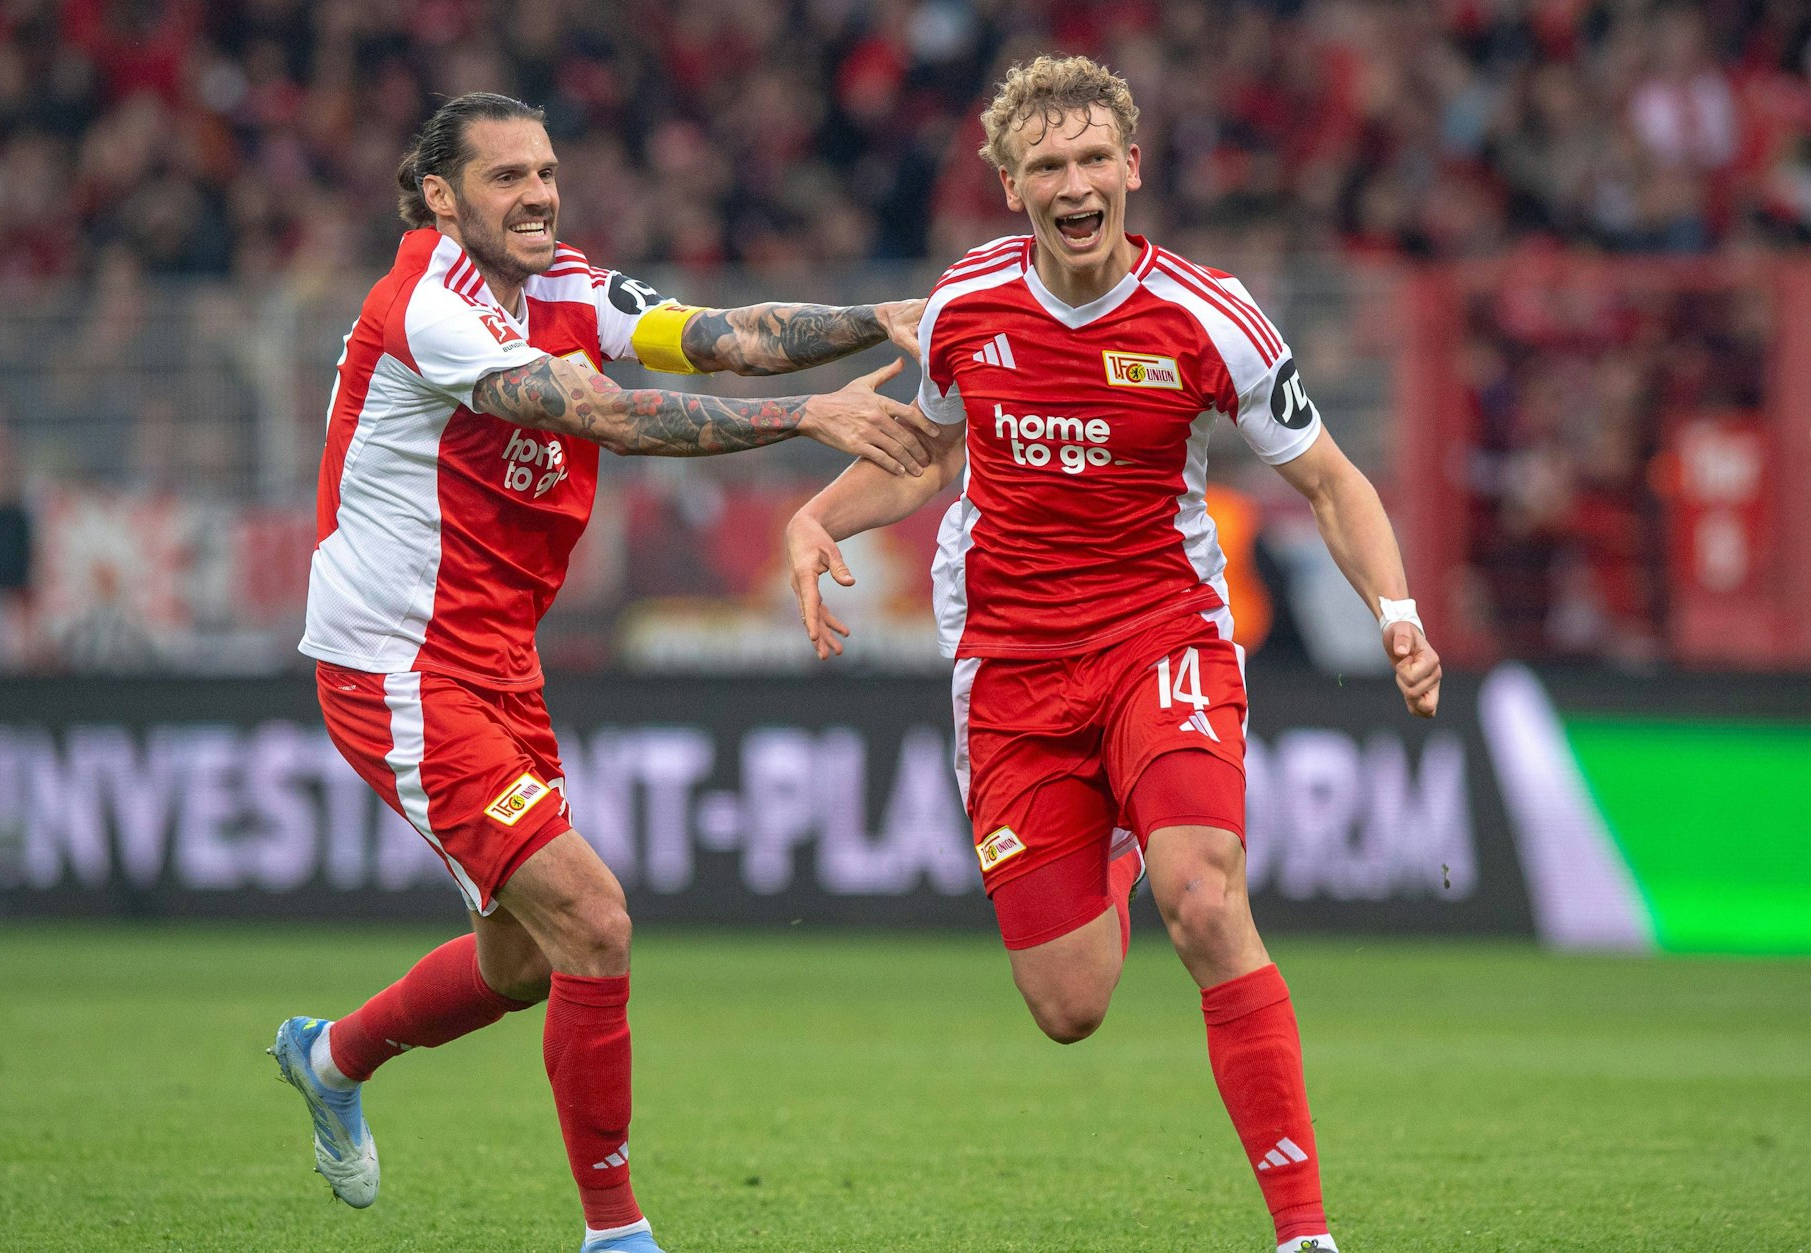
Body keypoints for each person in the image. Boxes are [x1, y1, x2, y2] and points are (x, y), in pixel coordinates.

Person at [783, 55, 1442, 1253]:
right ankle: (1122, 837)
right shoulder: (964, 307)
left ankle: (1303, 1232)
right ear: (1008, 185)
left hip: (1160, 635)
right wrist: (814, 519)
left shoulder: (1208, 317)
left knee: (1206, 896)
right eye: (1047, 165)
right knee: (1068, 1003)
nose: (1074, 182)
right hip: (1010, 665)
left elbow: (1332, 480)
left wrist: (1395, 614)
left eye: (1093, 158)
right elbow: (925, 455)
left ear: (1131, 168)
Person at [269, 91, 937, 1253]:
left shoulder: (563, 282)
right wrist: (806, 418)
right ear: (441, 197)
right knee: (595, 920)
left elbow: (715, 333)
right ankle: (616, 1234)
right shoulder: (429, 306)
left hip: (493, 659)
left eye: (544, 171)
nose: (536, 195)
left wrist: (885, 314)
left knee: (521, 962)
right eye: (504, 178)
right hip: (396, 661)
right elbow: (607, 415)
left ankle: (328, 1056)